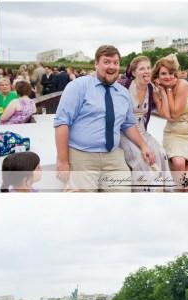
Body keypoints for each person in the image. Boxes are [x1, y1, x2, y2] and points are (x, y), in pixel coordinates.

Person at [54, 45, 155, 191]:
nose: (112, 66)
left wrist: (144, 145)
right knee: (82, 205)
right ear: (96, 64)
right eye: (106, 62)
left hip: (113, 157)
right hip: (82, 156)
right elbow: (62, 123)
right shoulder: (78, 86)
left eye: (115, 63)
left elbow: (128, 124)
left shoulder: (123, 93)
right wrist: (63, 161)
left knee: (121, 202)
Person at [117, 55, 171, 191]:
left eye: (148, 68)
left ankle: (165, 192)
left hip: (142, 131)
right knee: (141, 160)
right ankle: (144, 197)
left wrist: (163, 92)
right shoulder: (123, 86)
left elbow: (166, 114)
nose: (146, 71)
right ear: (134, 72)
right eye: (142, 68)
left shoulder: (151, 88)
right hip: (124, 132)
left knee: (161, 153)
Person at [153, 54, 188, 192]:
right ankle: (182, 196)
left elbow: (175, 113)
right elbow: (167, 116)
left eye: (171, 73)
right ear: (157, 75)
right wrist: (163, 92)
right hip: (174, 133)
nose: (168, 77)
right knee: (178, 162)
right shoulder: (156, 91)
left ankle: (183, 199)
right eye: (163, 73)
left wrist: (168, 90)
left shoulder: (183, 84)